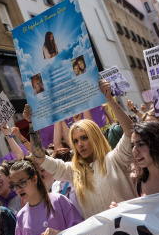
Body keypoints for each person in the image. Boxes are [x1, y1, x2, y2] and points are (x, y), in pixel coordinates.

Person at [22, 79, 137, 219]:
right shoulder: (72, 170)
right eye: (75, 141)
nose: (79, 144)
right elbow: (40, 158)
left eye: (84, 138)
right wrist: (31, 125)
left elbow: (130, 132)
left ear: (96, 137)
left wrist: (109, 99)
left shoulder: (115, 159)